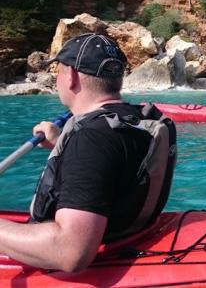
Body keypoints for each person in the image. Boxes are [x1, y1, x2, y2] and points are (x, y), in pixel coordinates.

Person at [0, 33, 176, 272]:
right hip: (128, 234)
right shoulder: (136, 121)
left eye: (58, 71)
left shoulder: (92, 139)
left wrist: (78, 145)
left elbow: (71, 252)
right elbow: (115, 164)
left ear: (71, 76)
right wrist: (62, 142)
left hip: (78, 257)